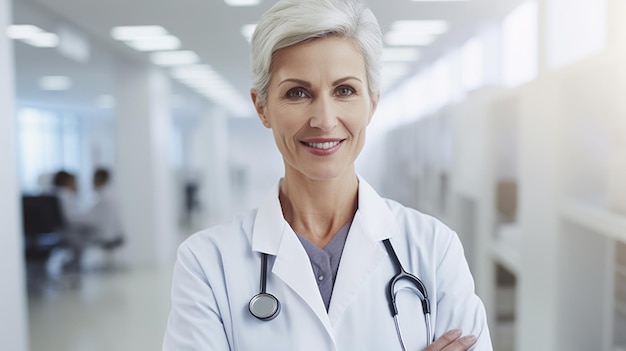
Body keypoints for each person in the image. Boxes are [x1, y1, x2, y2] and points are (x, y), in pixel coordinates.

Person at [163, 0, 492, 350]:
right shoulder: (206, 263)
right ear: (262, 107)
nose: (324, 119)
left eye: (345, 90)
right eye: (297, 92)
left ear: (372, 104)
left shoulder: (434, 248)